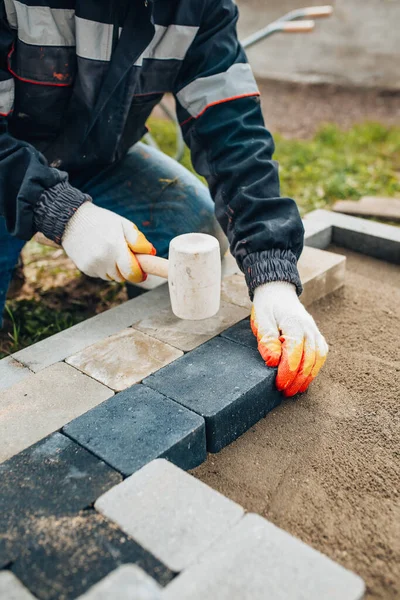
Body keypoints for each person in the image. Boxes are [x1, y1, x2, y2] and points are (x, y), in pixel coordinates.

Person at [0, 0, 328, 397]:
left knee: (188, 224)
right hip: (10, 156)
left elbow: (231, 130)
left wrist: (271, 271)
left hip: (98, 158)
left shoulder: (199, 7)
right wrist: (64, 213)